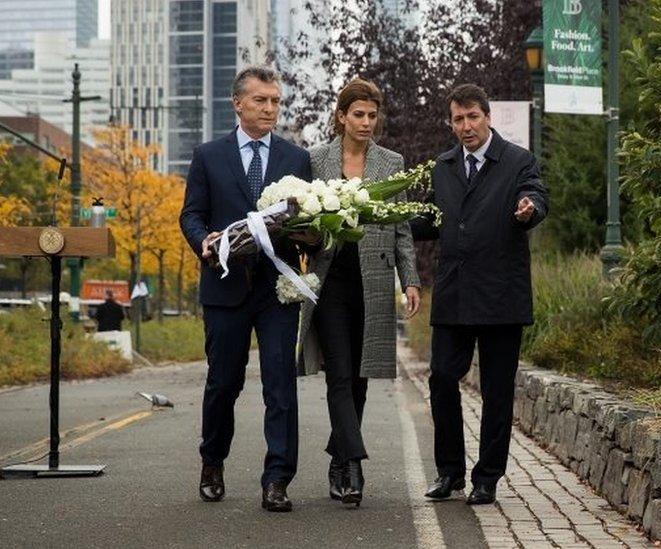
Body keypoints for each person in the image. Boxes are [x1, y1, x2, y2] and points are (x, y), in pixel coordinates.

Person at [179, 66, 312, 513]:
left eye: (275, 101)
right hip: (224, 288)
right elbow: (192, 214)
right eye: (261, 101)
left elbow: (306, 221)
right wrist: (204, 240)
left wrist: (313, 235)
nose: (270, 108)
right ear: (238, 103)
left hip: (277, 289)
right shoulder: (208, 156)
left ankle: (277, 479)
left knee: (280, 387)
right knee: (223, 384)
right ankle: (212, 460)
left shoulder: (297, 160)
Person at [412, 83, 549, 505]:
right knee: (440, 379)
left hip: (500, 297)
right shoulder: (443, 165)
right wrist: (388, 220)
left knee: (497, 390)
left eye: (473, 117)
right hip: (454, 294)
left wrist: (529, 209)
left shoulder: (517, 161)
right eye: (458, 119)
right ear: (451, 123)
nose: (466, 126)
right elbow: (431, 219)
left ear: (487, 117)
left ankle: (487, 477)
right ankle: (449, 472)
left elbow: (536, 197)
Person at [297, 78, 421, 508]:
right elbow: (300, 220)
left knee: (361, 376)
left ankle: (338, 455)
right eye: (359, 115)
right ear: (341, 116)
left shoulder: (392, 162)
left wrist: (411, 280)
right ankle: (352, 464)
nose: (367, 123)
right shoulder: (315, 159)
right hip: (331, 282)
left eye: (372, 115)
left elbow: (402, 227)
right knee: (340, 374)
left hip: (373, 281)